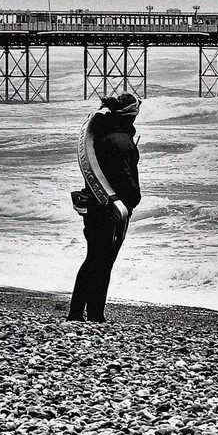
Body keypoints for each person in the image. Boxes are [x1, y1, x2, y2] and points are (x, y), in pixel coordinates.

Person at [69, 92, 142, 322]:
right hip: (111, 209)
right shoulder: (121, 142)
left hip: (94, 204)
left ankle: (79, 311)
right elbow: (123, 179)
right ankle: (93, 314)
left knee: (93, 258)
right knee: (102, 262)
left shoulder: (102, 134)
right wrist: (134, 199)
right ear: (131, 116)